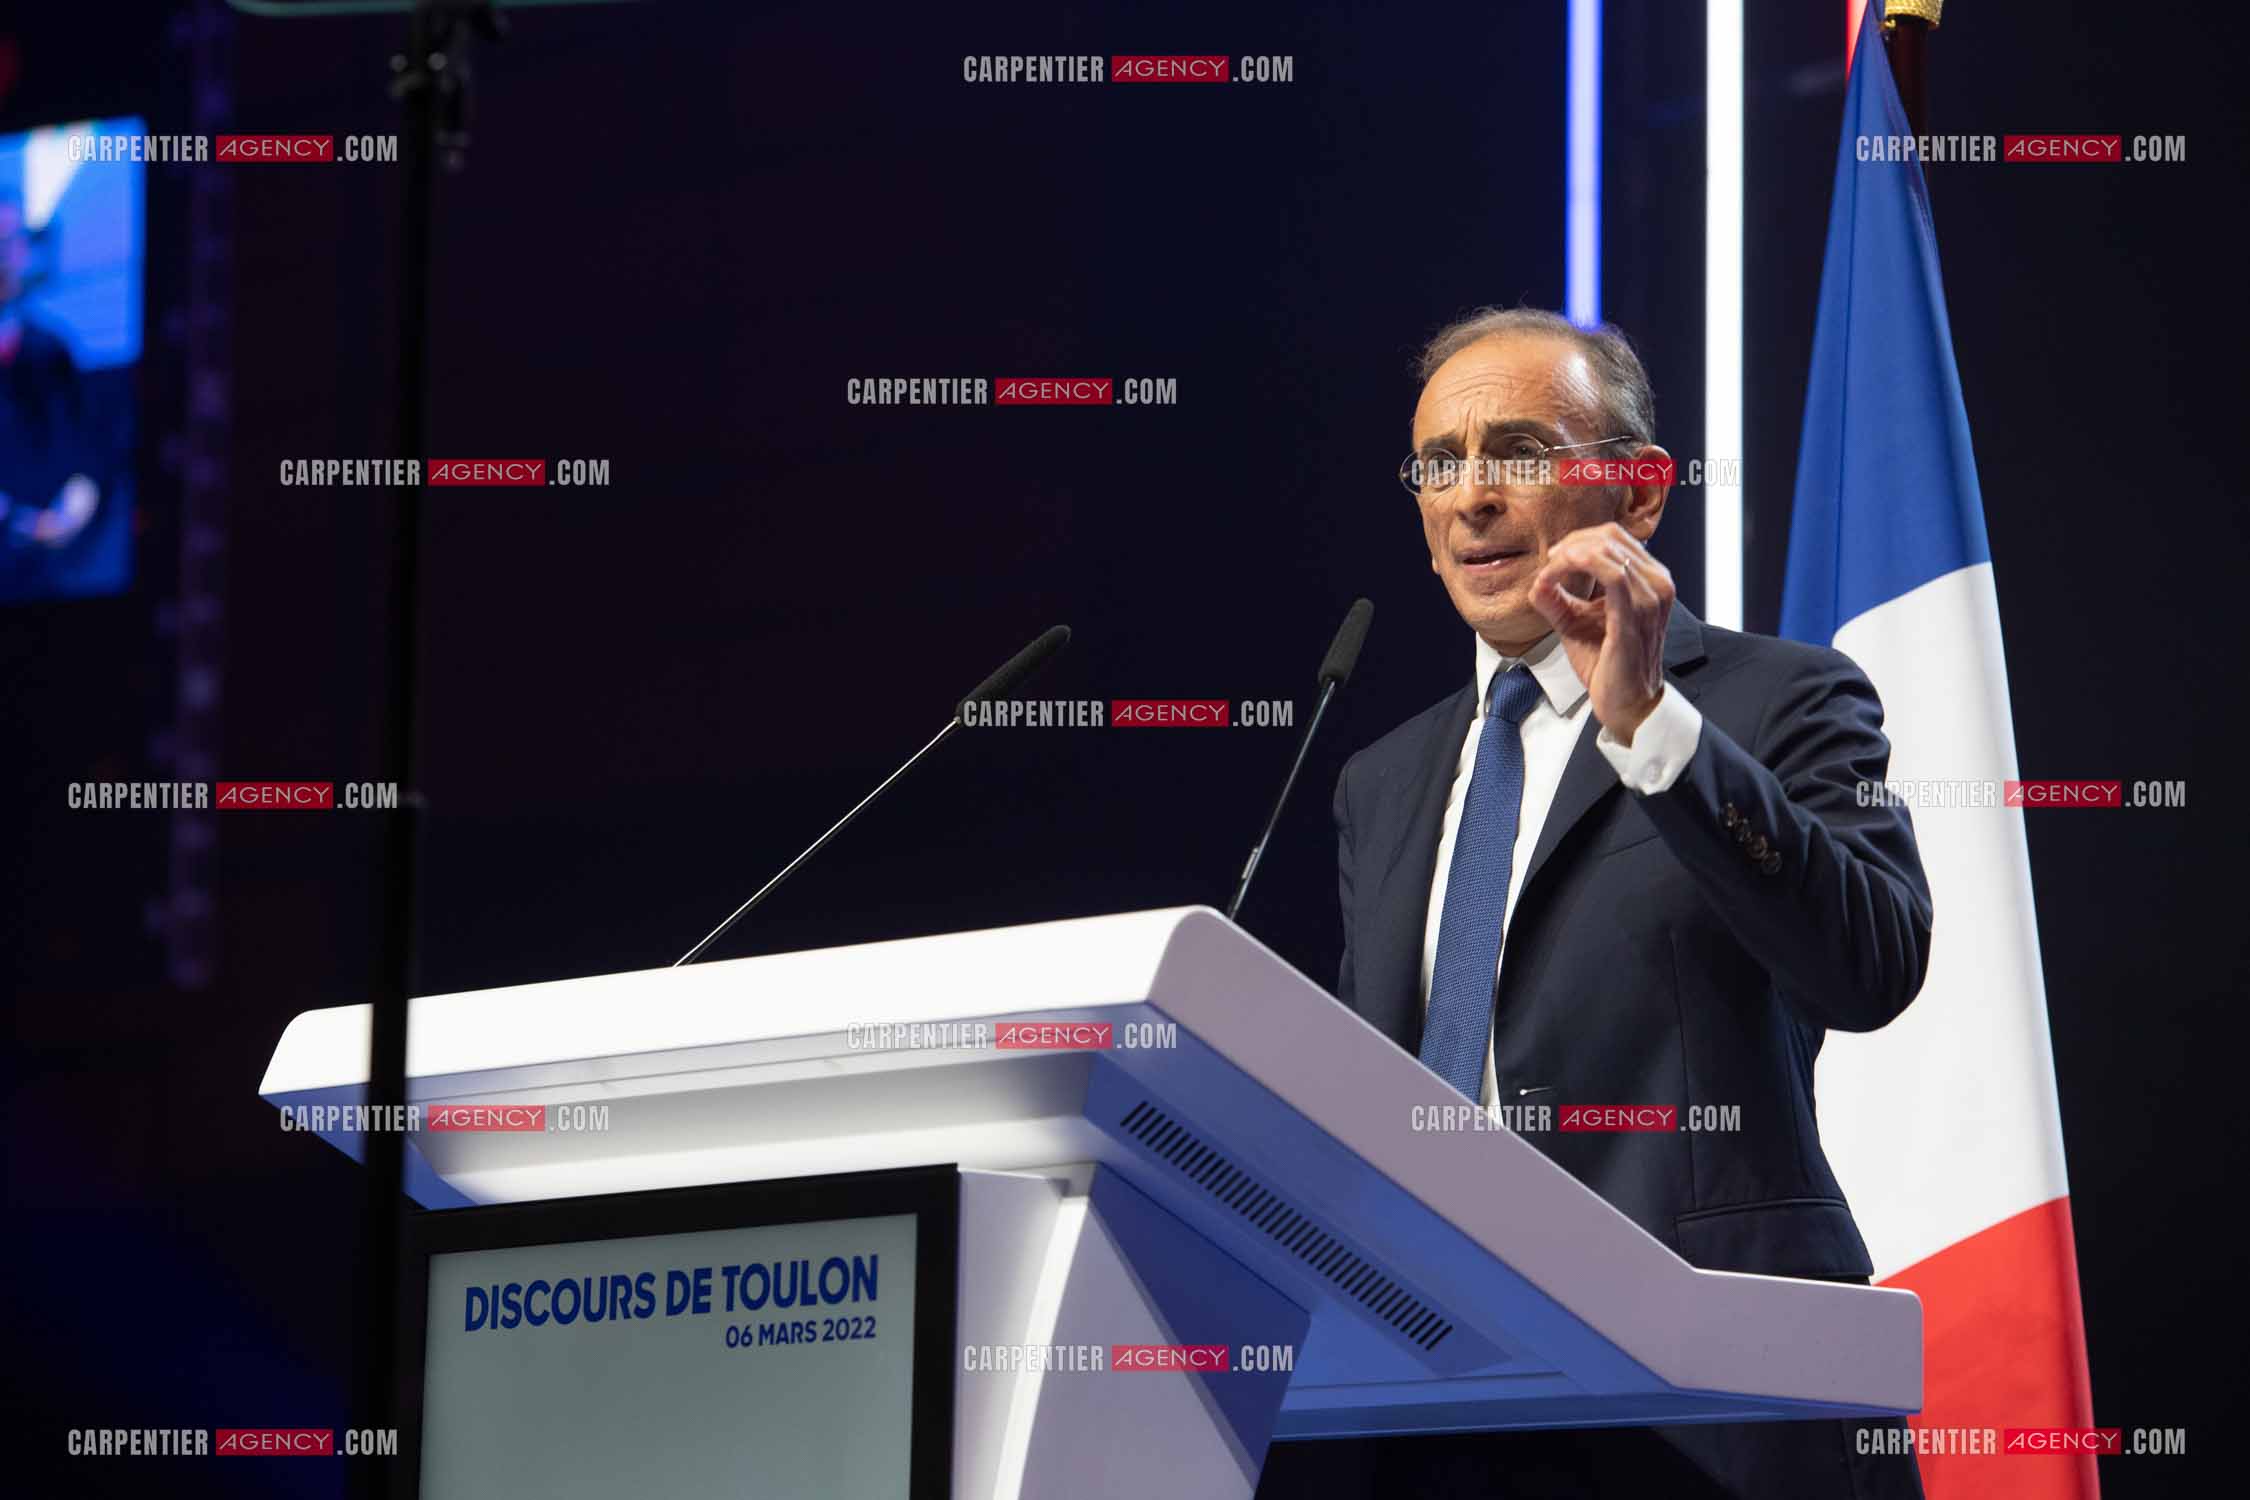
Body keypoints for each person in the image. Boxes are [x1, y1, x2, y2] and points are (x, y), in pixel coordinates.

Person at [1307, 307, 1930, 1498]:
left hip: (1714, 1412)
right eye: (1439, 464)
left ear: (1640, 493)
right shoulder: (1379, 783)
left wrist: (1651, 726)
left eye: (1519, 453)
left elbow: (1871, 963)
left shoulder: (1779, 700)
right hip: (1436, 1402)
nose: (1470, 498)